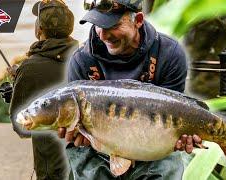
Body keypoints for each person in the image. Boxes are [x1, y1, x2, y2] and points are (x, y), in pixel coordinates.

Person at [58, 0, 203, 179]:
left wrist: (181, 136)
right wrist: (81, 135)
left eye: (112, 25)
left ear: (138, 20)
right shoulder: (81, 61)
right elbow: (78, 131)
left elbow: (175, 116)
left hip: (151, 147)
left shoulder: (169, 54)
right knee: (80, 154)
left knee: (170, 162)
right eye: (97, 25)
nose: (103, 35)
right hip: (99, 150)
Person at [8, 1, 78, 179]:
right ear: (69, 26)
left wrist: (21, 82)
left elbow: (21, 127)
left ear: (39, 28)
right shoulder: (85, 58)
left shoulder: (30, 68)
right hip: (85, 168)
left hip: (51, 171)